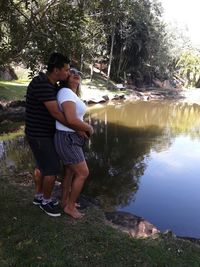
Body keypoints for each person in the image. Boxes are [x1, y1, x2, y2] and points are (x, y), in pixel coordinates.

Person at [25, 53, 92, 217]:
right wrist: (81, 127)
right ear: (56, 70)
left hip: (47, 133)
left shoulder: (52, 86)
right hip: (38, 134)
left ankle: (39, 196)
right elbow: (57, 114)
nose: (69, 73)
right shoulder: (42, 84)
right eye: (67, 70)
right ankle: (46, 202)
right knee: (52, 168)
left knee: (42, 166)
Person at [54, 68, 93, 219]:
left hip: (72, 137)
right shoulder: (65, 92)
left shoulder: (72, 94)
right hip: (67, 138)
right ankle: (70, 207)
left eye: (79, 73)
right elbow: (70, 119)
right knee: (83, 173)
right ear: (65, 77)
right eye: (72, 72)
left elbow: (72, 119)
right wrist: (89, 128)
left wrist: (79, 130)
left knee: (70, 172)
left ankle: (65, 202)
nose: (76, 74)